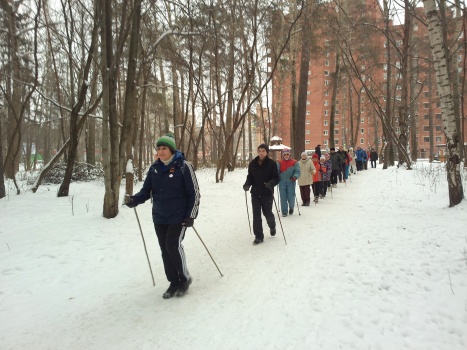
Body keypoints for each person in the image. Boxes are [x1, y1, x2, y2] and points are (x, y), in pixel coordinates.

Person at [125, 133, 200, 299]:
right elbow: (146, 191)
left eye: (164, 148)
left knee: (173, 245)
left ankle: (184, 278)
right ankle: (173, 282)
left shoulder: (183, 166)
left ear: (171, 150)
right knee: (165, 249)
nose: (161, 151)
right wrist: (135, 200)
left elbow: (194, 193)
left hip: (179, 216)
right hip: (160, 216)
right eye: (158, 148)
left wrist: (191, 215)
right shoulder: (155, 168)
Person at [243, 144, 280, 245]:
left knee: (267, 213)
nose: (261, 152)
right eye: (259, 150)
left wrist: (270, 184)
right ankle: (259, 236)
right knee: (256, 215)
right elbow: (250, 177)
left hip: (267, 192)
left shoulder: (272, 164)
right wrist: (247, 184)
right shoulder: (253, 164)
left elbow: (276, 178)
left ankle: (272, 226)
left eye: (263, 151)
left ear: (267, 152)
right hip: (255, 193)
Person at [277, 148, 300, 217]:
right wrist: (276, 178)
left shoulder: (294, 162)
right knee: (283, 197)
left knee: (291, 196)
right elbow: (276, 171)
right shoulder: (279, 162)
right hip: (282, 182)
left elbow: (297, 171)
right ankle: (284, 211)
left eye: (287, 154)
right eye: (285, 154)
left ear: (289, 154)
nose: (286, 156)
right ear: (283, 155)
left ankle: (291, 207)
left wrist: (295, 177)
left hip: (291, 181)